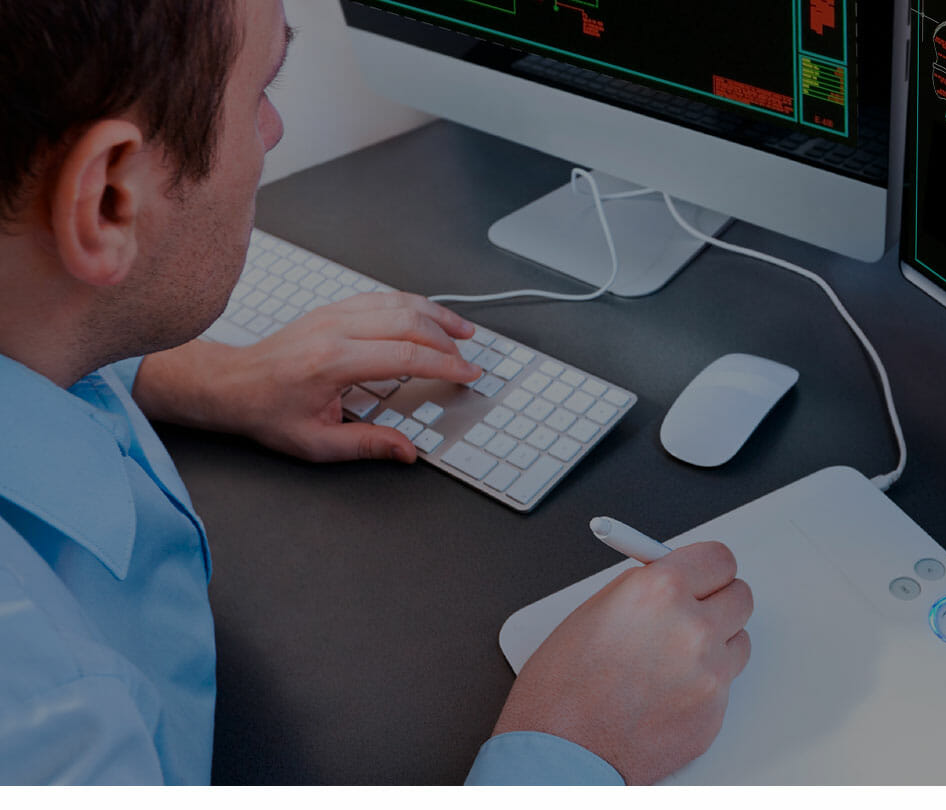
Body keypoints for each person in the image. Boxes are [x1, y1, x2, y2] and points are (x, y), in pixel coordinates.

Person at [0, 0, 752, 785]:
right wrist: (575, 747)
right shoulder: (44, 717)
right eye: (262, 89)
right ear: (110, 201)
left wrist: (216, 378)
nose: (273, 132)